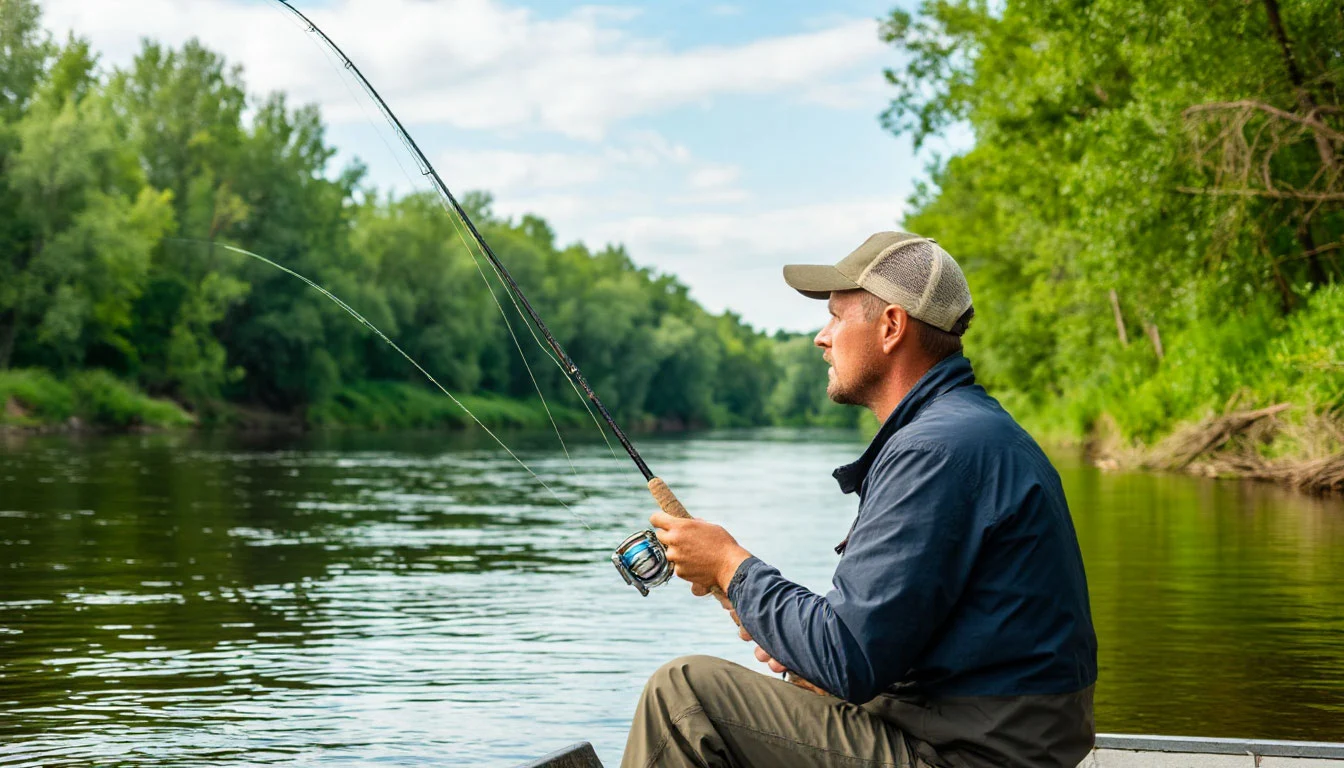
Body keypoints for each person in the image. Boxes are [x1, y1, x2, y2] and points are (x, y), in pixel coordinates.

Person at [621, 232, 1098, 768]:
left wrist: (730, 565)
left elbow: (847, 654)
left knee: (682, 694)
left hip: (972, 754)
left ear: (891, 327)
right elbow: (877, 648)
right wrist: (814, 664)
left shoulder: (934, 450)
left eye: (837, 317)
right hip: (991, 735)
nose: (822, 338)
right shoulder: (972, 431)